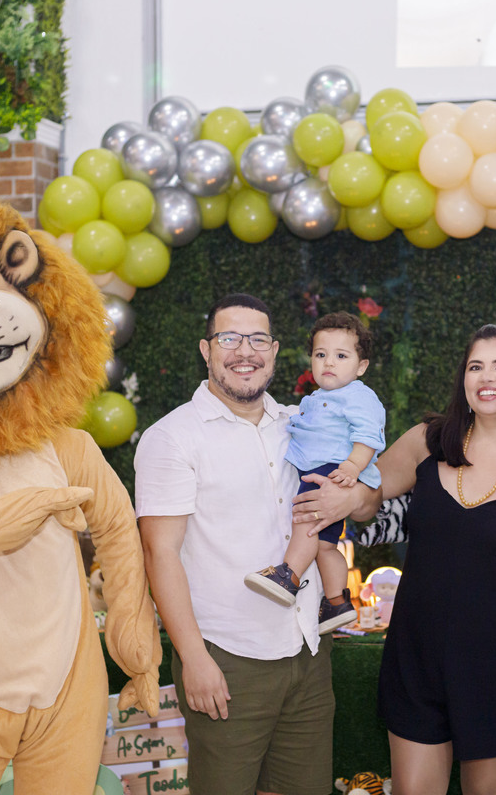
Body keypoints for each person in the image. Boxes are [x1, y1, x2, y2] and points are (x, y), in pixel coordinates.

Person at [296, 324, 496, 795]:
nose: (486, 377)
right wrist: (343, 495)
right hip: (419, 654)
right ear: (463, 379)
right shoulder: (426, 441)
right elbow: (369, 498)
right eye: (476, 366)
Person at [134, 293, 335, 795]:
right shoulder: (173, 437)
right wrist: (194, 659)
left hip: (307, 649)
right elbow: (160, 554)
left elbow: (361, 490)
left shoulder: (301, 424)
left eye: (258, 339)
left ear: (275, 351)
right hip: (227, 658)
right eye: (229, 338)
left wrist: (351, 494)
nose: (245, 351)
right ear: (206, 350)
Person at [245, 311, 386, 635]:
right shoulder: (317, 399)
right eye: (321, 355)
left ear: (361, 366)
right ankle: (336, 602)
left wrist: (352, 466)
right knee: (325, 545)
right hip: (329, 469)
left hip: (332, 469)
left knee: (306, 520)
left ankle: (289, 576)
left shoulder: (358, 396)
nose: (329, 362)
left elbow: (369, 434)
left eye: (341, 356)